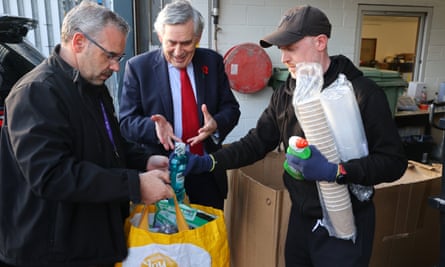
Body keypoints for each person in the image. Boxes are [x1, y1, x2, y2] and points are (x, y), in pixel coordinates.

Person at [184, 5, 408, 267]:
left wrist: (335, 170)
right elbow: (257, 142)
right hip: (302, 220)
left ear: (320, 42)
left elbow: (394, 163)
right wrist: (209, 162)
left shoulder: (360, 94)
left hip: (346, 222)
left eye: (291, 48)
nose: (284, 58)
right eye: (281, 49)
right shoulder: (288, 92)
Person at [0, 1, 173, 267]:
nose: (116, 67)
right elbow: (52, 176)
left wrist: (143, 160)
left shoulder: (92, 84)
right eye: (110, 55)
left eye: (119, 57)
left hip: (87, 243)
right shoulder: (37, 92)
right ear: (79, 42)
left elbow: (108, 142)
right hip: (52, 253)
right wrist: (135, 185)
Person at [118, 0, 240, 210]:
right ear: (160, 37)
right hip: (161, 173)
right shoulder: (139, 68)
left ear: (198, 38)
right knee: (165, 241)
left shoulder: (212, 62)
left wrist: (216, 125)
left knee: (207, 239)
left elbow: (231, 109)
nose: (178, 51)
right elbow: (126, 122)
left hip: (205, 173)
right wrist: (154, 129)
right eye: (171, 42)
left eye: (186, 43)